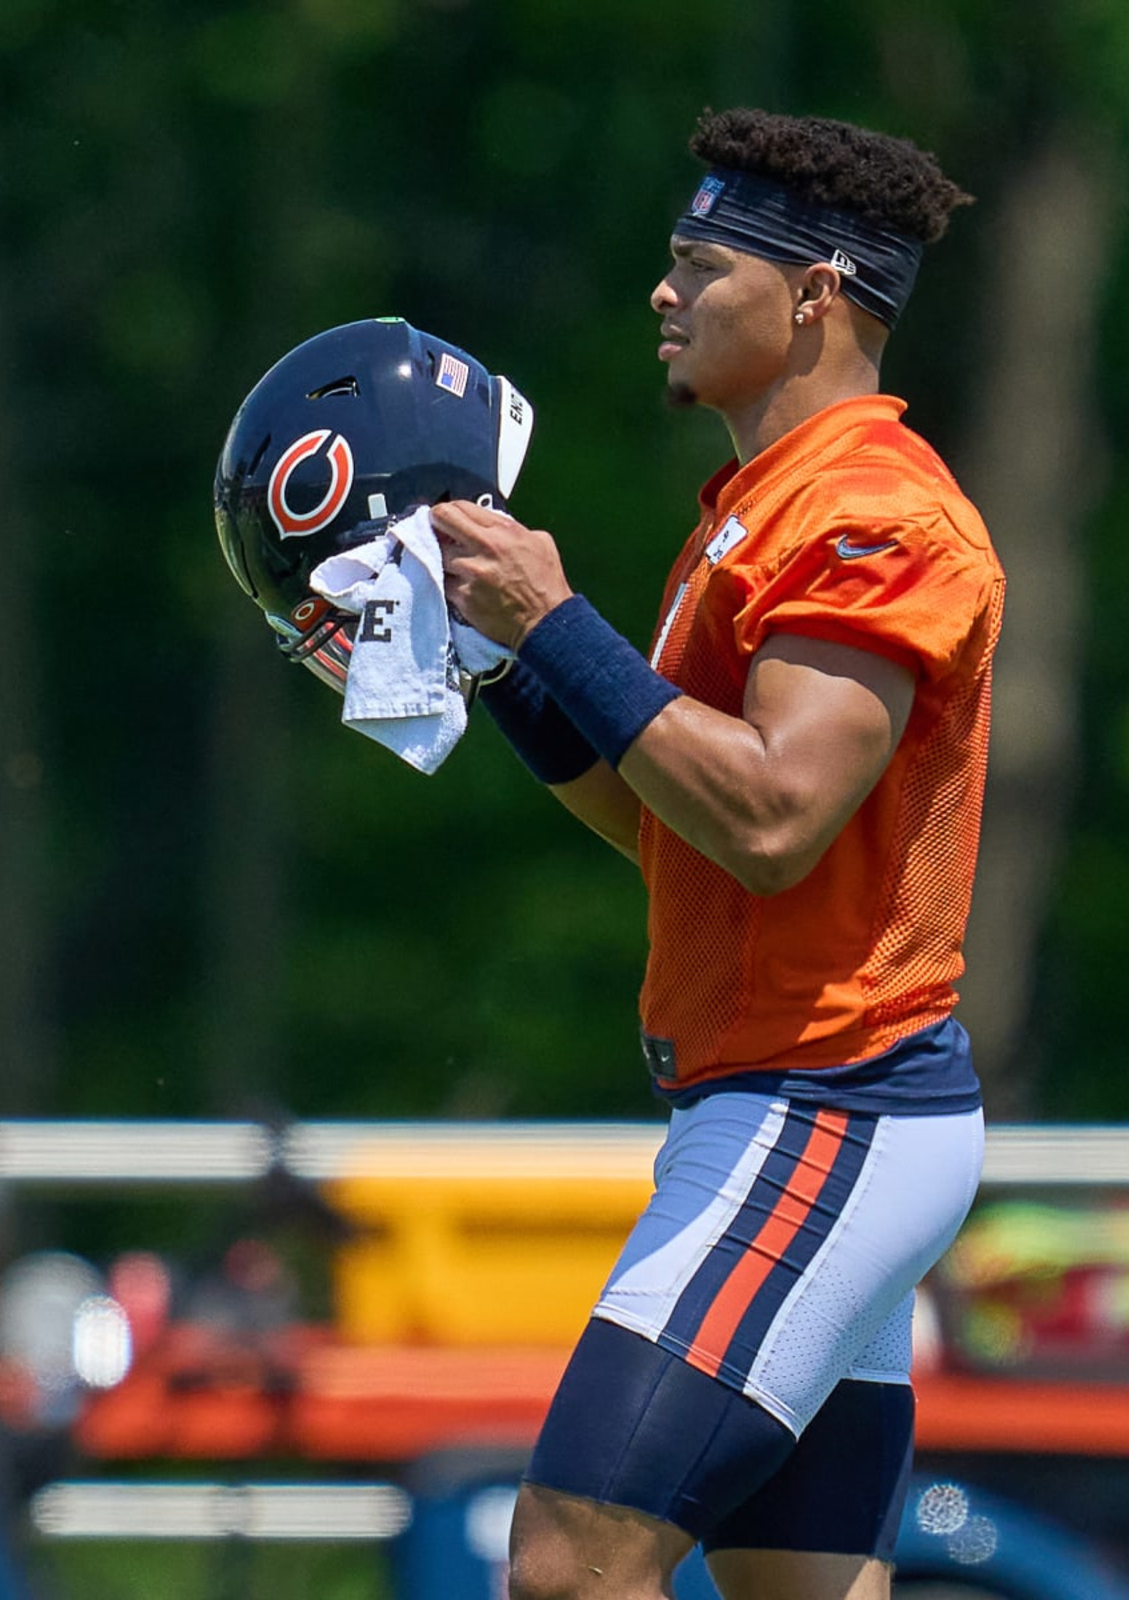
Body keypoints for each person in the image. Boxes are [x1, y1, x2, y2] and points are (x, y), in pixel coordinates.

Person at [435, 108, 1005, 1600]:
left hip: (826, 1106)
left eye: (698, 262)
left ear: (815, 291)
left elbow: (767, 817)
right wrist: (500, 667)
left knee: (569, 1564)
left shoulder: (871, 511)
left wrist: (557, 622)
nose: (662, 293)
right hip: (806, 1108)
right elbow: (667, 823)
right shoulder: (762, 507)